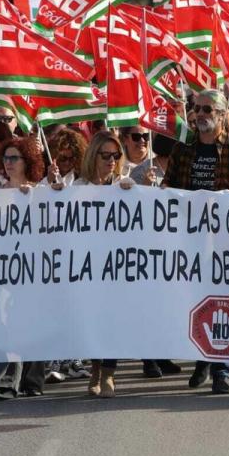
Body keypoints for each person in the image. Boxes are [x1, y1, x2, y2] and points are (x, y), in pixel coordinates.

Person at [163, 89, 229, 395]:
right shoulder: (183, 152)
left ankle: (222, 369)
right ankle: (201, 359)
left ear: (222, 116)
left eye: (208, 109)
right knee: (195, 300)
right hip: (192, 242)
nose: (201, 114)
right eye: (198, 109)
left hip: (227, 242)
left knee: (223, 301)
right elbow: (170, 187)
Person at [69, 131, 137, 397]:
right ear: (93, 155)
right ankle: (95, 369)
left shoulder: (124, 184)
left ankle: (109, 374)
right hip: (86, 267)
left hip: (117, 268)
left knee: (112, 321)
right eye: (105, 155)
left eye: (116, 155)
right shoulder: (78, 187)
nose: (111, 160)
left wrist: (141, 191)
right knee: (92, 321)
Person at [0, 136, 50, 400]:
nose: (9, 163)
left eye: (15, 158)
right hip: (4, 269)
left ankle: (32, 380)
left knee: (33, 323)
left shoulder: (39, 192)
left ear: (28, 162)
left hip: (34, 269)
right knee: (7, 324)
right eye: (6, 158)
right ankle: (7, 380)